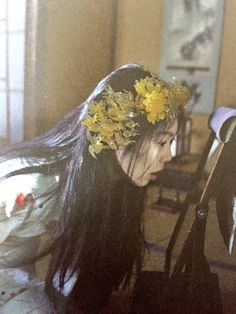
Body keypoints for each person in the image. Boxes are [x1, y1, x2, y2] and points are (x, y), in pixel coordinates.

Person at [0, 63, 189, 313]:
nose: (168, 155)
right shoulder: (30, 187)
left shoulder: (108, 182)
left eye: (171, 142)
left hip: (18, 272)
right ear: (115, 136)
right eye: (161, 141)